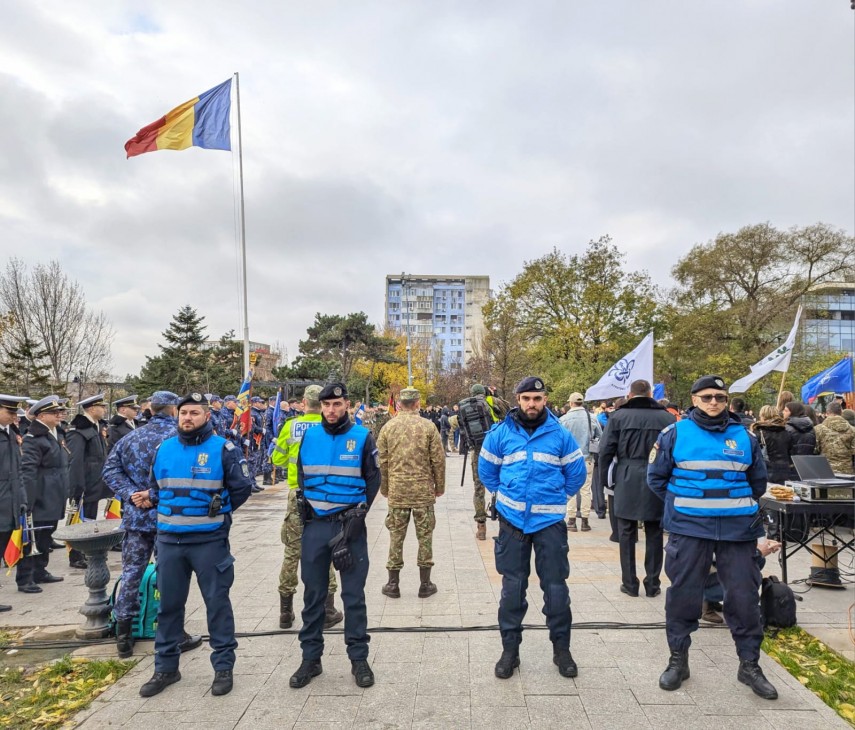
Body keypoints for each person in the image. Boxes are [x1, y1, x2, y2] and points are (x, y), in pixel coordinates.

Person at [647, 375, 777, 700]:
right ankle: (679, 660)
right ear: (694, 400)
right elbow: (656, 479)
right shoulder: (674, 433)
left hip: (738, 531)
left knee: (745, 599)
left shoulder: (745, 437)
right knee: (683, 596)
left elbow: (758, 482)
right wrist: (687, 506)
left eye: (719, 397)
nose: (714, 403)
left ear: (727, 400)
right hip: (689, 530)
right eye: (707, 397)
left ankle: (749, 665)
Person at [138, 393, 252, 698]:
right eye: (183, 412)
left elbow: (241, 489)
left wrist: (219, 512)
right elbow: (156, 487)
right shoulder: (164, 448)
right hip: (169, 542)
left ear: (206, 416)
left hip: (208, 541)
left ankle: (223, 667)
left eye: (194, 413)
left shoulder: (224, 449)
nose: (187, 418)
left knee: (217, 604)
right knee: (169, 608)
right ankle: (165, 668)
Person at [478, 376, 587, 680]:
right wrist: (507, 494)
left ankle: (562, 650)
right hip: (512, 522)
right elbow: (487, 471)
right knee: (512, 589)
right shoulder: (500, 434)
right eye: (526, 398)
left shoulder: (560, 434)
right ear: (517, 399)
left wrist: (554, 497)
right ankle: (510, 652)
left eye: (537, 399)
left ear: (545, 399)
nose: (531, 404)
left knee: (555, 589)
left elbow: (576, 475)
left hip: (550, 523)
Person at [288, 383, 381, 690]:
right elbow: (302, 473)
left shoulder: (362, 437)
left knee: (353, 596)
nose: (331, 410)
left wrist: (358, 516)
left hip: (349, 526)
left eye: (337, 404)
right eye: (326, 405)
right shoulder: (308, 436)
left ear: (347, 405)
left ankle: (359, 659)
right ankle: (310, 660)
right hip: (315, 526)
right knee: (313, 595)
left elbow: (373, 478)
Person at [102, 391, 202, 659]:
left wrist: (131, 495)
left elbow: (110, 471)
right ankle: (173, 632)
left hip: (137, 518)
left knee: (132, 572)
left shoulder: (130, 437)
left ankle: (124, 636)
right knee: (169, 576)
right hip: (170, 517)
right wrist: (152, 496)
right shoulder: (178, 439)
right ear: (172, 409)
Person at [270, 385, 342, 631]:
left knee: (292, 552)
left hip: (296, 494)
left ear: (303, 402)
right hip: (323, 495)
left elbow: (277, 458)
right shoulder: (329, 427)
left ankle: (285, 612)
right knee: (327, 549)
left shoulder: (291, 426)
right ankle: (328, 609)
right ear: (322, 403)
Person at [598, 381, 675, 597]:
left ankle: (630, 583)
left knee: (626, 531)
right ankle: (653, 584)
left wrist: (604, 481)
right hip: (657, 476)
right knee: (654, 531)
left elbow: (605, 451)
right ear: (650, 394)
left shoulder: (618, 417)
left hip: (626, 475)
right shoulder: (667, 418)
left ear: (630, 394)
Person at [377, 387, 446, 599]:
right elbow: (438, 460)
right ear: (417, 403)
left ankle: (393, 583)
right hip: (423, 492)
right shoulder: (428, 427)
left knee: (396, 537)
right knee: (425, 537)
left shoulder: (388, 428)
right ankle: (425, 584)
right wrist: (439, 487)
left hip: (398, 491)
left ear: (399, 404)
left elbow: (383, 461)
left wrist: (385, 488)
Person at [17, 396, 69, 593]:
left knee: (46, 535)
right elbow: (28, 471)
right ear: (41, 415)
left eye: (59, 412)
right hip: (40, 496)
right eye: (54, 413)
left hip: (53, 495)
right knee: (33, 536)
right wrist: (28, 501)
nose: (59, 416)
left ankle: (40, 570)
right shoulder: (33, 438)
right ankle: (25, 577)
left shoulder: (53, 433)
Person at [66, 393, 111, 568]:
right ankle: (75, 555)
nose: (104, 409)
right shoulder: (80, 431)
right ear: (92, 409)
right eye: (102, 406)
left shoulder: (95, 427)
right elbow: (75, 461)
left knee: (89, 519)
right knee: (78, 520)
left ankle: (85, 551)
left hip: (95, 482)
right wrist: (77, 486)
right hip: (84, 484)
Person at [0, 394, 28, 612]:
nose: (13, 417)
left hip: (9, 502)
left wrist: (21, 499)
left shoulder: (10, 434)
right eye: (9, 412)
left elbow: (18, 471)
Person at [558, 393, 602, 532]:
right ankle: (585, 520)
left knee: (570, 488)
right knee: (586, 490)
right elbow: (600, 437)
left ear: (570, 403)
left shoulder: (564, 419)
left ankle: (571, 520)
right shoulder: (592, 418)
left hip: (569, 460)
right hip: (587, 458)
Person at [750, 405, 793, 485]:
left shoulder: (758, 433)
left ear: (763, 416)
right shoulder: (786, 432)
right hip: (785, 471)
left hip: (766, 471)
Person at [814, 401, 855, 474]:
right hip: (847, 472)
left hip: (826, 471)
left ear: (827, 412)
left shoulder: (818, 429)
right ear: (841, 412)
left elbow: (815, 451)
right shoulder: (852, 429)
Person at [783, 401, 816, 478]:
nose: (783, 412)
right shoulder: (811, 428)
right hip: (807, 466)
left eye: (786, 410)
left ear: (793, 412)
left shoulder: (787, 428)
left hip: (790, 466)